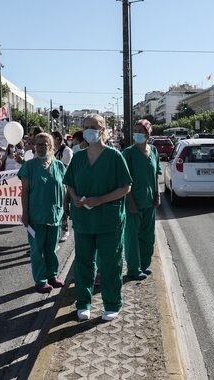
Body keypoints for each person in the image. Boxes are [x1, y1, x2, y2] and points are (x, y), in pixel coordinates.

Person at [63, 114, 132, 321]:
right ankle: (83, 303)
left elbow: (126, 187)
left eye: (94, 126)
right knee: (83, 263)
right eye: (86, 127)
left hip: (108, 221)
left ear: (103, 130)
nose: (89, 130)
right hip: (84, 220)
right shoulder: (79, 157)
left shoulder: (114, 156)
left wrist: (100, 200)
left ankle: (112, 304)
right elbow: (70, 183)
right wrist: (74, 198)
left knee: (111, 263)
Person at [19, 133, 67, 293]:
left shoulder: (59, 166)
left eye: (44, 144)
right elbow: (24, 192)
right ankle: (40, 280)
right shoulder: (29, 166)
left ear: (51, 147)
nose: (40, 147)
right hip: (35, 216)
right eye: (38, 144)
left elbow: (65, 189)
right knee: (37, 250)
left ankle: (52, 275)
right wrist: (25, 214)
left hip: (55, 215)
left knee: (51, 249)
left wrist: (66, 211)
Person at [123, 119, 162, 280]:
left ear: (148, 133)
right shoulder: (129, 153)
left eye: (141, 130)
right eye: (136, 130)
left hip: (149, 201)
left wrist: (157, 194)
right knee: (132, 237)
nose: (137, 133)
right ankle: (133, 268)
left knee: (148, 236)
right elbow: (125, 180)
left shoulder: (153, 151)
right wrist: (131, 202)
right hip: (134, 202)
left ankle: (145, 264)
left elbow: (156, 174)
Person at [52, 131, 73, 243]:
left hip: (63, 183)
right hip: (53, 183)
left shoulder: (67, 151)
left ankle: (65, 230)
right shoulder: (53, 151)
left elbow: (63, 168)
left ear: (58, 139)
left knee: (63, 206)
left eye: (53, 138)